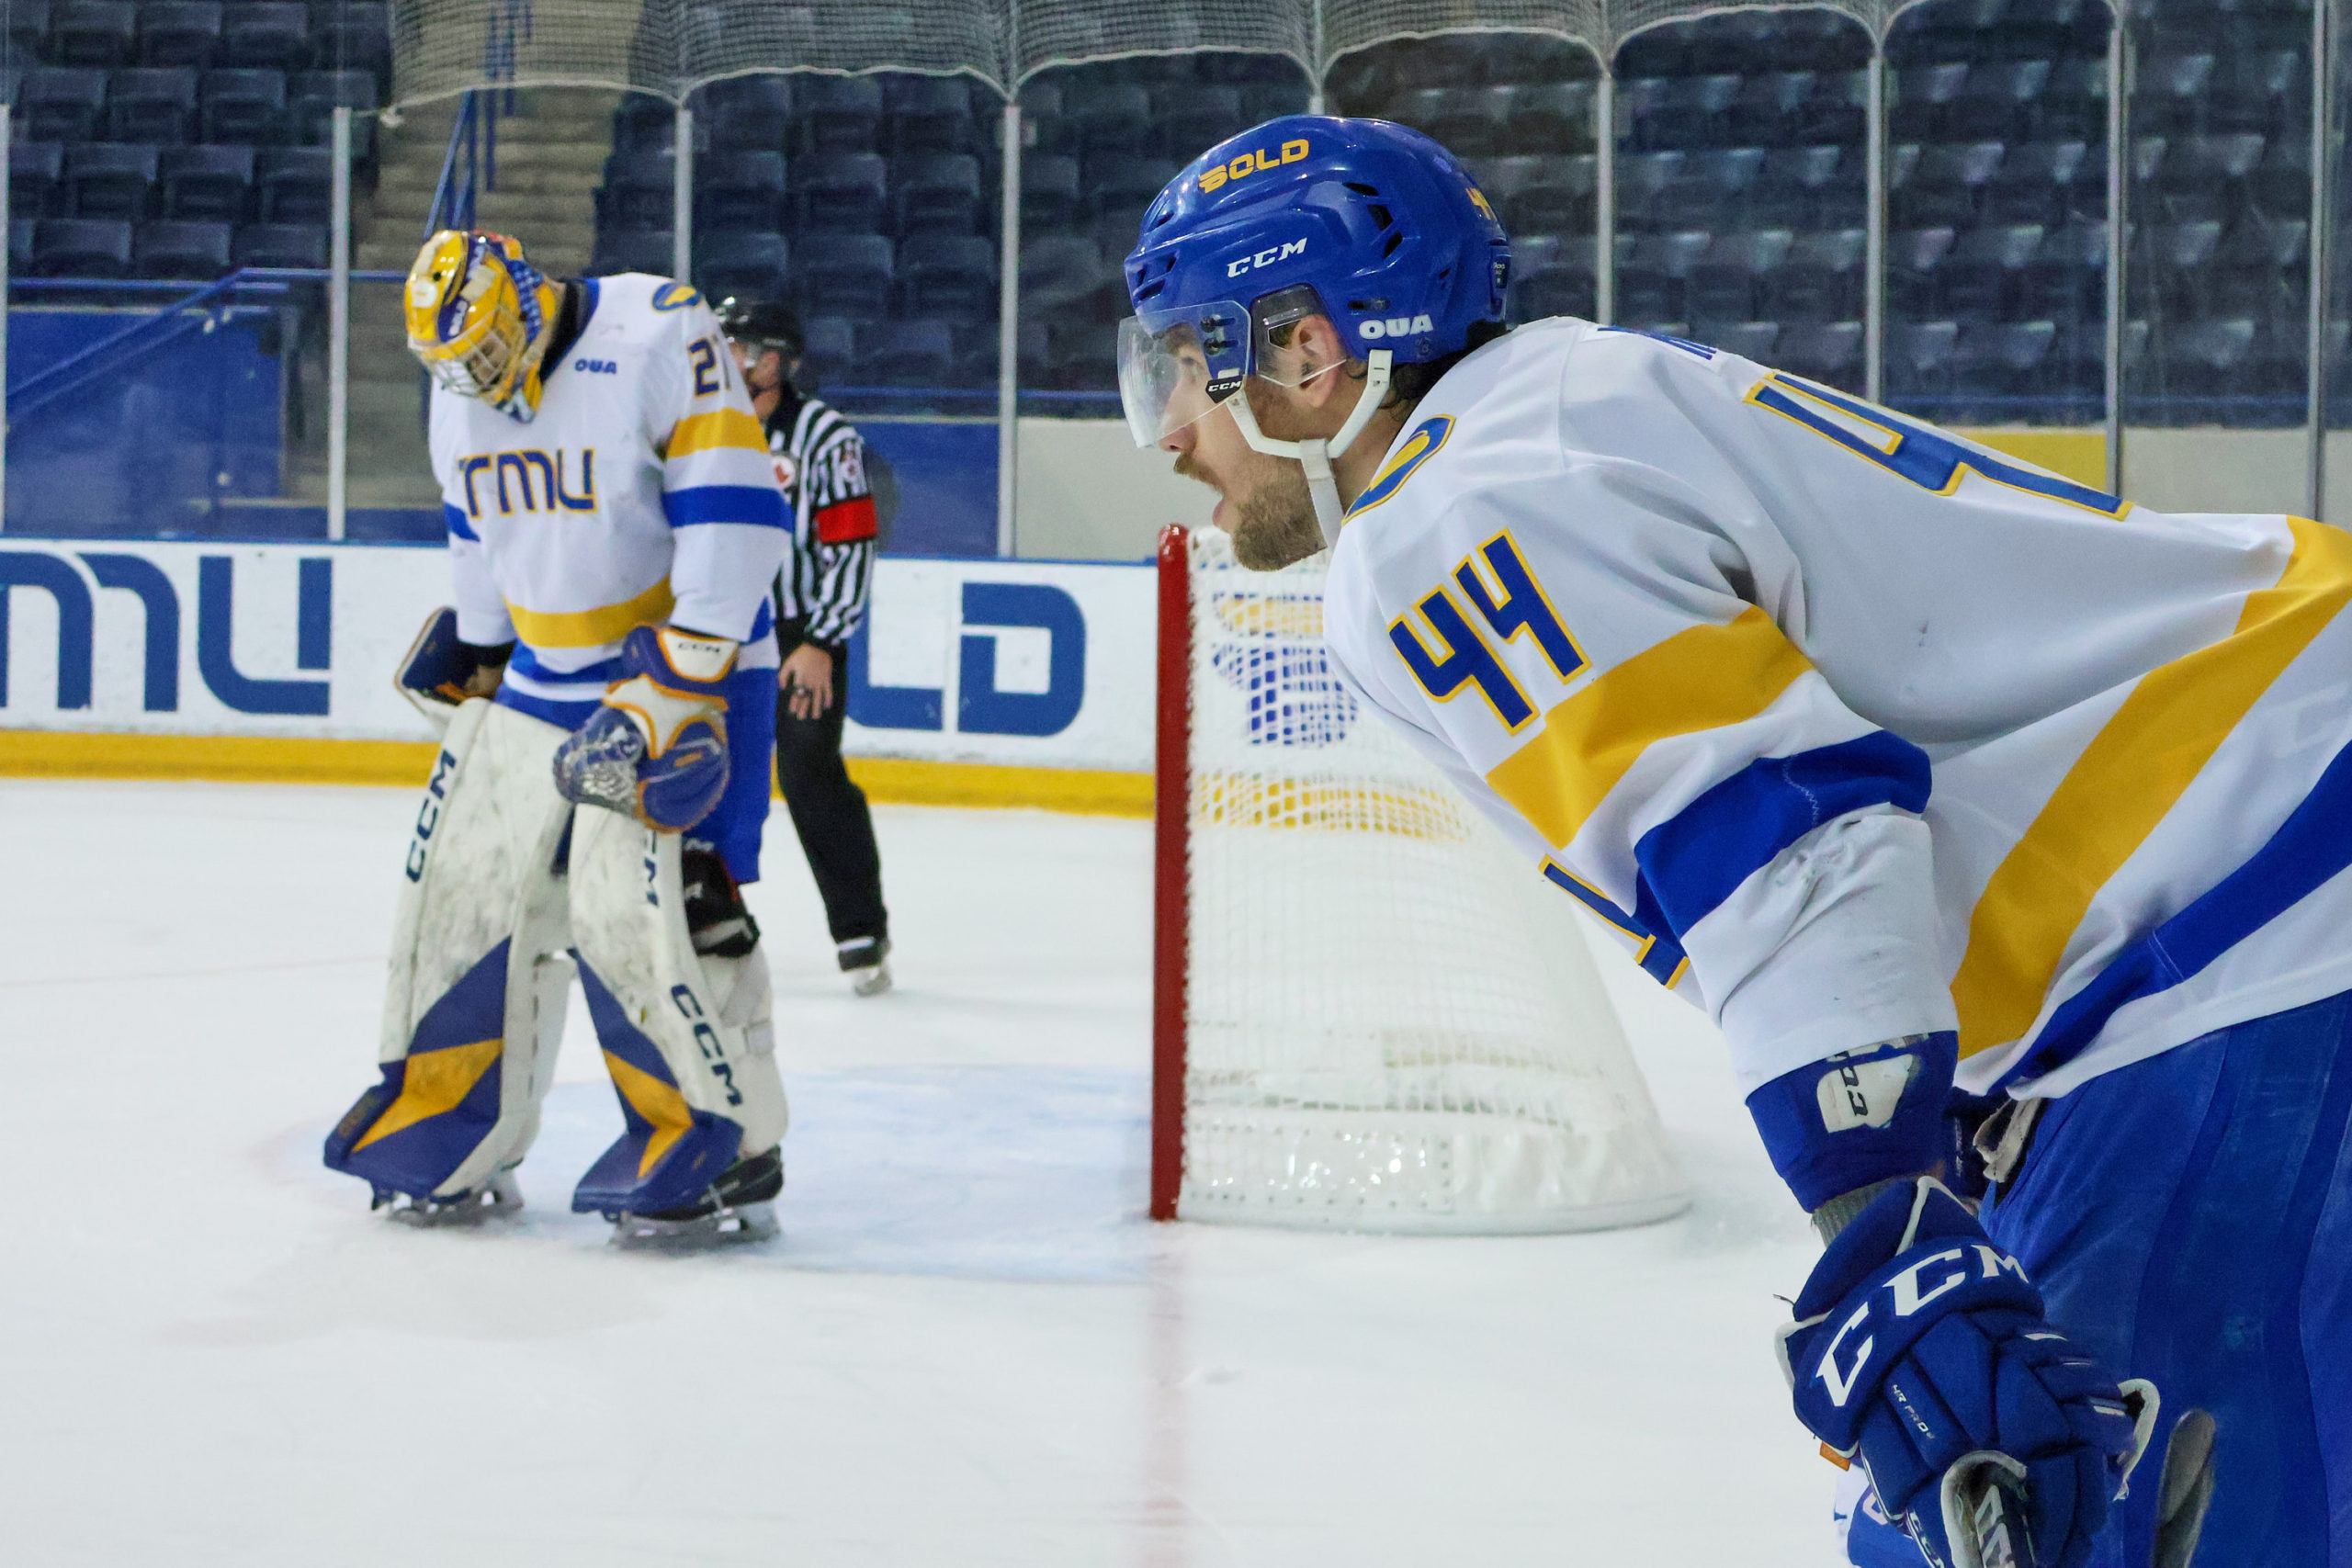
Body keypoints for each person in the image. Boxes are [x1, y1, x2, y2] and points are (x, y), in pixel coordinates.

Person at [1121, 118, 2352, 1568]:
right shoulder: (1551, 413)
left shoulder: (1455, 505)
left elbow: (1785, 842)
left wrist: (1884, 1223)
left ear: (1307, 345)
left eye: (1181, 369)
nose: (1173, 437)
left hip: (2255, 917)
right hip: (2253, 886)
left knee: (2074, 1516)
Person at [322, 230, 794, 1246]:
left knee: (665, 911)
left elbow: (739, 510)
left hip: (672, 672)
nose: (478, 382)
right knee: (467, 901)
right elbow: (476, 532)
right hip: (539, 684)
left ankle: (731, 1141)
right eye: (459, 368)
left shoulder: (661, 325)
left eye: (490, 354)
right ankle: (452, 1117)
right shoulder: (459, 383)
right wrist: (480, 656)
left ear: (527, 298)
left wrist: (692, 667)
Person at [715, 297, 894, 997]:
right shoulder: (701, 428)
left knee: (809, 772)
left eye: (741, 346)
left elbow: (852, 541)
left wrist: (822, 640)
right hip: (719, 630)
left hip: (797, 636)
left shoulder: (823, 435)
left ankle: (860, 928)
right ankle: (715, 913)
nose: (728, 358)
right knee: (702, 773)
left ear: (773, 360)